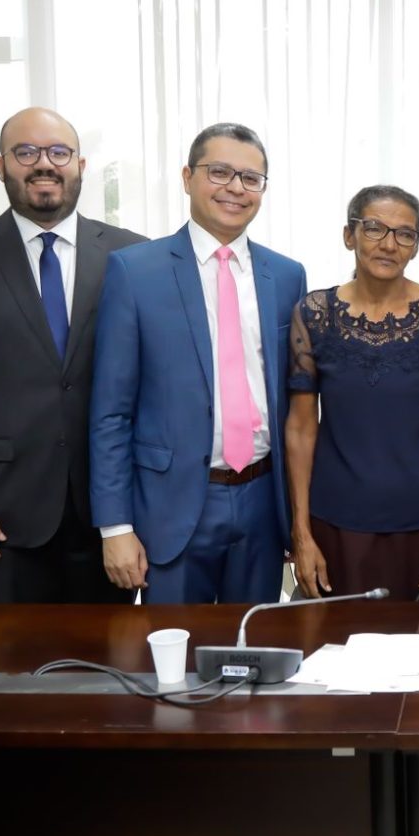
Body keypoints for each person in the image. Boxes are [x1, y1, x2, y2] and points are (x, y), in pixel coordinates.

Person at [0, 107, 145, 604]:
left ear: (80, 165)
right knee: (9, 655)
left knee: (110, 653)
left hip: (107, 515)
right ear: (1, 166)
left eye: (59, 152)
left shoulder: (132, 255)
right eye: (26, 152)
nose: (44, 164)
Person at [90, 123, 307, 604]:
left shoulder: (287, 275)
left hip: (262, 498)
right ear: (188, 177)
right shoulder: (135, 271)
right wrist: (115, 527)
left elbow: (295, 403)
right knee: (174, 645)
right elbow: (111, 411)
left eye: (251, 178)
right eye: (220, 172)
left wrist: (298, 516)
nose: (235, 188)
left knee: (255, 642)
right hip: (172, 503)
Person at [283, 185, 419, 600]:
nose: (389, 244)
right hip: (334, 523)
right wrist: (301, 532)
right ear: (348, 235)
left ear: (415, 246)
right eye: (374, 228)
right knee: (333, 637)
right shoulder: (313, 314)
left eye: (405, 234)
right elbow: (300, 429)